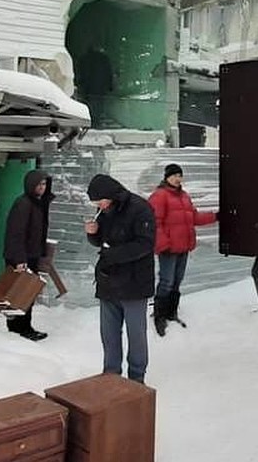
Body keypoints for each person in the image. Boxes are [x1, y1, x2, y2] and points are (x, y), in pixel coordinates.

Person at [86, 174, 156, 384]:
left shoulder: (140, 208)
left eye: (100, 201)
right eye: (96, 203)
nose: (99, 206)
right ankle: (110, 375)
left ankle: (136, 377)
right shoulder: (105, 210)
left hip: (134, 282)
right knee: (109, 333)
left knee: (136, 334)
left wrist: (112, 255)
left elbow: (145, 245)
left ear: (112, 195)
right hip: (108, 281)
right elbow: (102, 241)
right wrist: (93, 234)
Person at [149, 164, 217, 337]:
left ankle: (171, 312)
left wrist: (215, 216)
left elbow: (193, 217)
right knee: (166, 281)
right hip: (169, 248)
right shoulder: (160, 196)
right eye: (174, 175)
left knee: (177, 280)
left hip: (183, 247)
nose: (177, 179)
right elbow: (154, 223)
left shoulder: (184, 196)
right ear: (166, 177)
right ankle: (159, 315)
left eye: (180, 175)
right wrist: (163, 244)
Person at [3, 169, 52, 342]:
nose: (42, 187)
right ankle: (19, 329)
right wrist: (19, 260)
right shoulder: (24, 204)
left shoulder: (37, 204)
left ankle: (22, 328)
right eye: (39, 184)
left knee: (26, 294)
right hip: (21, 257)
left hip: (30, 255)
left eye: (44, 184)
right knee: (20, 294)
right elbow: (15, 233)